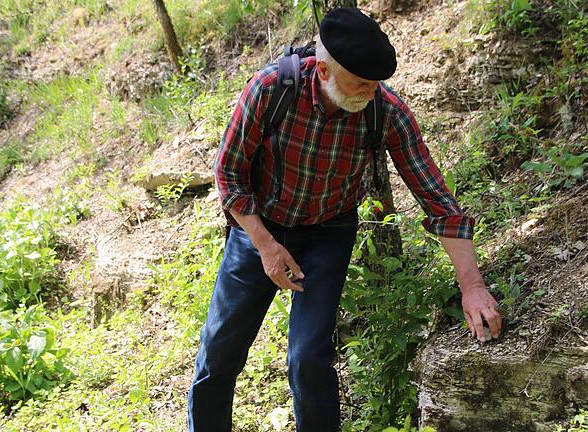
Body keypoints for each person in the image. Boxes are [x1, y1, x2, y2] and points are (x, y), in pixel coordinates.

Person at [187, 8, 502, 432]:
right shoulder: (270, 89)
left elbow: (437, 199)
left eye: (375, 85)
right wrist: (264, 244)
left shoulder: (385, 111)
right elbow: (229, 173)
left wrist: (473, 287)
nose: (369, 94)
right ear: (321, 70)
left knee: (308, 358)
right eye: (358, 83)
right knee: (219, 353)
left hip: (327, 233)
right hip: (259, 226)